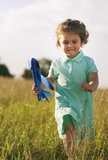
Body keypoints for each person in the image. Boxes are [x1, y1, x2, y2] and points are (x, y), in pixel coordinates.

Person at [32, 19, 99, 157]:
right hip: (64, 103)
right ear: (59, 43)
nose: (70, 45)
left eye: (74, 41)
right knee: (68, 129)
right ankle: (72, 157)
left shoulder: (88, 62)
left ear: (82, 42)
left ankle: (80, 155)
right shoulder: (57, 63)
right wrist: (41, 85)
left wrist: (91, 85)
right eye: (65, 42)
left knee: (82, 136)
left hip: (82, 103)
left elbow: (94, 77)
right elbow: (50, 78)